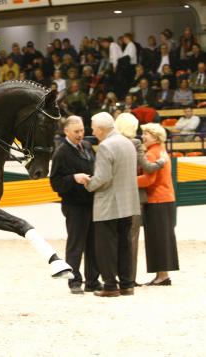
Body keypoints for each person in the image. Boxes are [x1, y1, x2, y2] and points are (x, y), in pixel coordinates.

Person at [81, 112, 140, 297]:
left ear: (100, 129)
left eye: (93, 128)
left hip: (109, 204)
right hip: (128, 202)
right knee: (124, 245)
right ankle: (127, 284)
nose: (92, 131)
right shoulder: (128, 143)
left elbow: (103, 178)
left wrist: (87, 183)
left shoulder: (106, 146)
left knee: (105, 246)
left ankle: (110, 286)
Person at [49, 116, 101, 294]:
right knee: (76, 244)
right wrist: (73, 178)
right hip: (74, 205)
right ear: (66, 132)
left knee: (93, 244)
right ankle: (74, 281)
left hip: (91, 202)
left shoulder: (86, 146)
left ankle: (93, 280)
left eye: (82, 131)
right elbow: (55, 183)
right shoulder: (61, 153)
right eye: (76, 132)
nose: (81, 134)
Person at [114, 113, 167, 285]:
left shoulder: (111, 143)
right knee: (131, 238)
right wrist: (161, 162)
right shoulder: (134, 143)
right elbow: (148, 168)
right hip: (135, 197)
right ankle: (129, 278)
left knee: (118, 237)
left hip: (115, 196)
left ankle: (117, 275)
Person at [137, 123, 179, 286]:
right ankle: (162, 274)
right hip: (167, 199)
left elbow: (148, 180)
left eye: (146, 133)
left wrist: (127, 181)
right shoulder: (161, 150)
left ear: (154, 136)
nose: (143, 136)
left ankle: (162, 276)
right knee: (164, 237)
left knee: (157, 238)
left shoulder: (152, 153)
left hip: (156, 200)